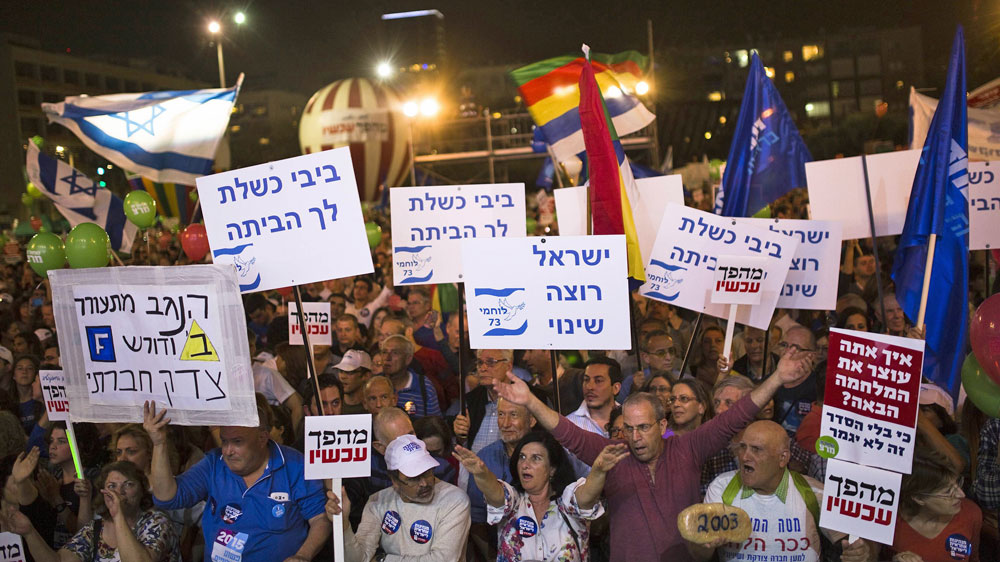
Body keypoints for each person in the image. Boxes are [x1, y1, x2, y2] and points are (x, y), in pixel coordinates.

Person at [494, 345, 813, 560]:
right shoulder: (613, 454)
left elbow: (735, 417)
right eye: (629, 428)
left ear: (662, 425)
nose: (635, 437)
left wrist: (777, 378)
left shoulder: (689, 447)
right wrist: (530, 401)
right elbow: (568, 432)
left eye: (644, 427)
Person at [145, 401, 328, 562]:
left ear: (262, 438)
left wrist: (303, 556)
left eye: (237, 442)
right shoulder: (214, 463)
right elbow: (167, 497)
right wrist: (159, 444)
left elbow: (320, 518)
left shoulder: (294, 466)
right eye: (224, 441)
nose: (227, 451)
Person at [693, 421, 872, 562]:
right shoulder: (722, 487)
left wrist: (860, 552)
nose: (745, 456)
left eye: (756, 449)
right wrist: (703, 542)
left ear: (783, 458)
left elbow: (854, 543)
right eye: (743, 447)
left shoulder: (813, 492)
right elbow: (700, 556)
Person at [454, 430, 627, 562]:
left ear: (552, 469)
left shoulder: (567, 502)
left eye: (536, 458)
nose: (525, 464)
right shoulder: (514, 501)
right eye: (522, 457)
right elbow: (496, 494)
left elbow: (585, 497)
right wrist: (481, 473)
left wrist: (598, 471)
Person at [326, 434, 471, 562]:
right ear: (394, 480)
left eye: (427, 473)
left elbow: (443, 560)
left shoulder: (454, 500)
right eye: (413, 478)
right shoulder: (378, 501)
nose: (424, 483)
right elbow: (359, 559)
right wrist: (343, 525)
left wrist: (382, 560)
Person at [5, 460, 181, 562]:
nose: (119, 492)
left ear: (142, 489)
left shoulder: (157, 522)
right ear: (103, 492)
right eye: (111, 486)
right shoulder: (95, 529)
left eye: (128, 484)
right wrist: (29, 533)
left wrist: (118, 515)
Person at [885, 449, 982, 561]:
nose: (961, 495)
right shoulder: (890, 521)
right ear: (919, 498)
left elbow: (974, 559)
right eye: (947, 492)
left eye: (958, 483)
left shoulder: (971, 513)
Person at [380, 335, 441, 418]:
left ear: (408, 359)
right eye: (384, 352)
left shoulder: (424, 386)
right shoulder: (374, 384)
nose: (388, 358)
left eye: (395, 353)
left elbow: (435, 423)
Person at [332, 350, 374, 415]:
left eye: (349, 372)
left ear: (366, 375)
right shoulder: (332, 407)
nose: (343, 376)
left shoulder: (374, 408)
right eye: (340, 371)